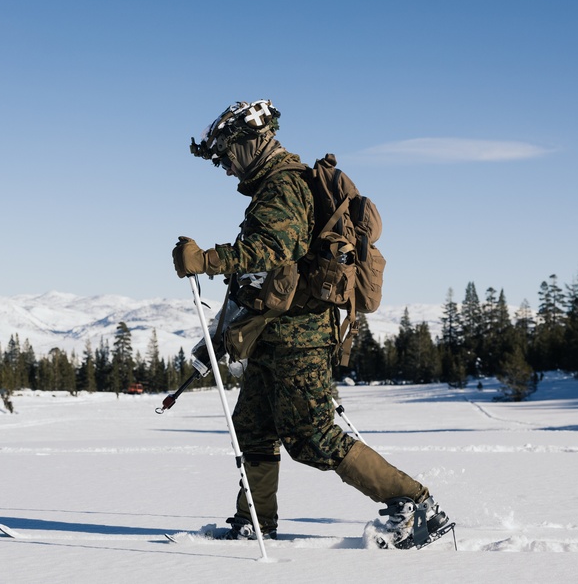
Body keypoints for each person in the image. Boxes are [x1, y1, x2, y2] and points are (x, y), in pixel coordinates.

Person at [171, 100, 450, 548]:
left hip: (300, 336)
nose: (224, 167)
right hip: (275, 333)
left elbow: (272, 247)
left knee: (311, 434)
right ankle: (254, 523)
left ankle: (414, 504)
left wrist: (205, 260)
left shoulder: (283, 186)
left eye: (226, 155)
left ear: (251, 141)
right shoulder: (278, 185)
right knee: (255, 426)